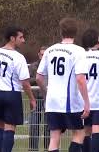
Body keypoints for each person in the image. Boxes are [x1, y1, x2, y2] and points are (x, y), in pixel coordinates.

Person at [36, 17, 90, 152]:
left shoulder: (50, 50)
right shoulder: (79, 51)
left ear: (61, 32)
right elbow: (80, 79)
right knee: (79, 133)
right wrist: (87, 103)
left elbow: (39, 77)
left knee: (54, 137)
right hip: (70, 101)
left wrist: (46, 94)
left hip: (52, 101)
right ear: (75, 33)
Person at [28, 46, 50, 151]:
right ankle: (33, 148)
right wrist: (38, 80)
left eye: (45, 54)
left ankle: (48, 147)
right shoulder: (33, 66)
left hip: (49, 99)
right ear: (38, 54)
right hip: (36, 98)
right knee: (34, 125)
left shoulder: (51, 66)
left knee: (48, 126)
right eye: (42, 54)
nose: (43, 56)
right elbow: (26, 80)